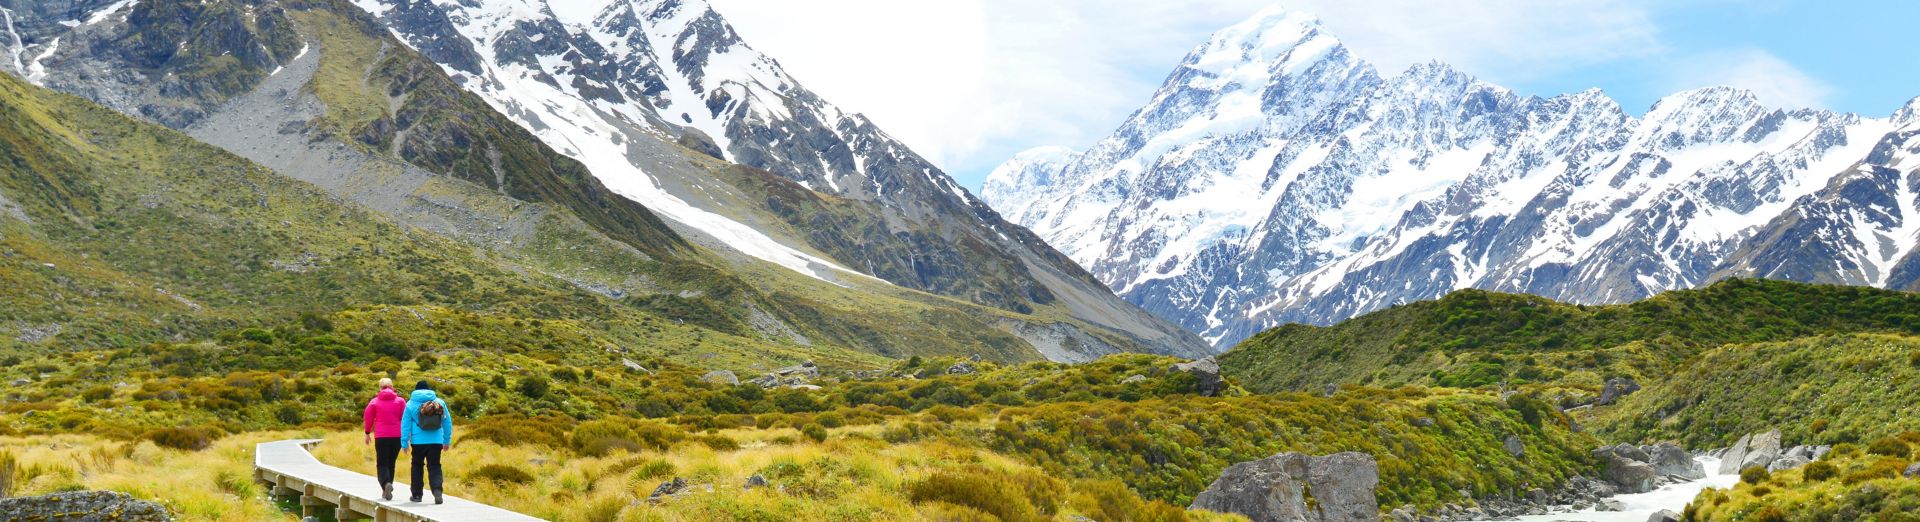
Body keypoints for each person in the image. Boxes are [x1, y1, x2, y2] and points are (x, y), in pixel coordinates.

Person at [400, 380, 454, 504]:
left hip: (418, 442)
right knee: (434, 465)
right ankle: (437, 491)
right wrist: (446, 440)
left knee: (417, 466)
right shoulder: (440, 402)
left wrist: (404, 443)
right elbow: (447, 423)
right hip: (436, 441)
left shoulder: (410, 404)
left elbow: (405, 425)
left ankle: (417, 495)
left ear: (416, 390)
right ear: (429, 389)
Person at [362, 378, 407, 501]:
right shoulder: (400, 401)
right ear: (392, 387)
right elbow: (405, 419)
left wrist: (367, 432)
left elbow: (368, 417)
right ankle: (387, 488)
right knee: (391, 463)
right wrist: (407, 436)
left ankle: (386, 485)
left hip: (381, 436)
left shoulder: (374, 402)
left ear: (380, 388)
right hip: (397, 436)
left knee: (382, 463)